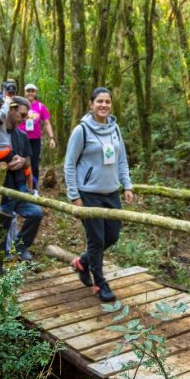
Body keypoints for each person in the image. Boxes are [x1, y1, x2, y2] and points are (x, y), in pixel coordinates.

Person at [64, 87, 134, 302]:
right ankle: (100, 283)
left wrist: (127, 185)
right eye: (99, 102)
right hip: (90, 194)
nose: (104, 105)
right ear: (91, 104)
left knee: (112, 235)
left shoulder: (115, 129)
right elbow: (69, 164)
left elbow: (121, 160)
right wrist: (74, 195)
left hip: (111, 192)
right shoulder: (81, 131)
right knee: (96, 240)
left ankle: (83, 263)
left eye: (107, 102)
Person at [0, 96, 43, 262]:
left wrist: (22, 162)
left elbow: (28, 162)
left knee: (36, 214)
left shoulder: (22, 136)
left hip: (19, 189)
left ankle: (21, 247)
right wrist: (3, 165)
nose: (24, 119)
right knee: (3, 225)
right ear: (11, 110)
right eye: (22, 115)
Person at [18, 83, 56, 191]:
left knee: (34, 164)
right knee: (20, 162)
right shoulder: (20, 106)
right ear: (24, 92)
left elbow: (47, 123)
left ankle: (33, 188)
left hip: (35, 139)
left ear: (35, 93)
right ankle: (21, 186)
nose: (30, 93)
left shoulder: (40, 106)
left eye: (32, 91)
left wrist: (51, 137)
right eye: (28, 91)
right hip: (21, 138)